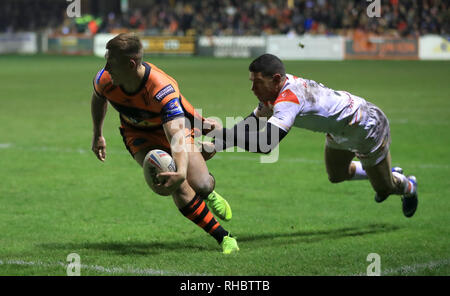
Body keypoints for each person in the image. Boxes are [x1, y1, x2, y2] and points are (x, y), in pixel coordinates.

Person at [205, 53, 418, 218]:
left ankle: (407, 185)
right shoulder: (272, 93)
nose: (252, 88)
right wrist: (217, 145)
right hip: (339, 129)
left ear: (277, 79)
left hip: (365, 126)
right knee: (336, 175)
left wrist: (221, 133)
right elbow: (251, 124)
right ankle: (382, 171)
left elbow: (266, 144)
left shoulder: (289, 98)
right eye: (251, 81)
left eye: (257, 82)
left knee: (385, 188)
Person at [90, 33, 238, 254]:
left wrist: (182, 169)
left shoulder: (160, 88)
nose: (106, 67)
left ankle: (208, 192)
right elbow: (98, 99)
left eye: (111, 62)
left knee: (202, 184)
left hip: (172, 129)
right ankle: (224, 237)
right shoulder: (105, 80)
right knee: (173, 181)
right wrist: (97, 134)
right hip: (138, 135)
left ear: (131, 64)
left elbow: (175, 133)